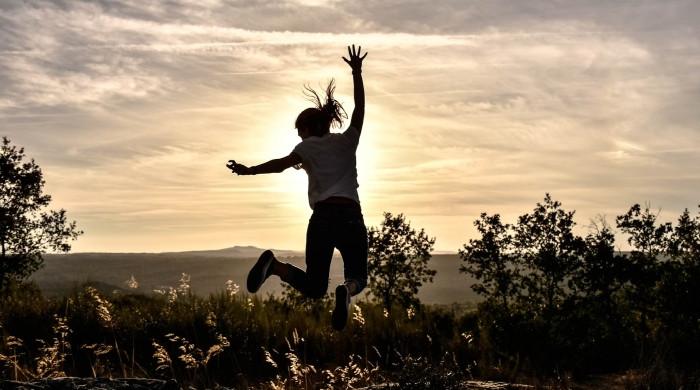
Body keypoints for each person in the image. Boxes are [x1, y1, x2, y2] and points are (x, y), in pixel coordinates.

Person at [227, 45, 368, 331]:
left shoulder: (306, 147)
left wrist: (248, 170)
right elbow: (360, 109)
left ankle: (275, 266)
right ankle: (346, 291)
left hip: (323, 219)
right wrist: (356, 73)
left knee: (315, 288)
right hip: (351, 216)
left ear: (307, 128)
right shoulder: (346, 141)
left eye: (299, 129)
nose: (298, 134)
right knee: (358, 277)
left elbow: (280, 164)